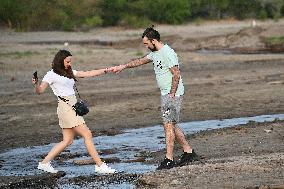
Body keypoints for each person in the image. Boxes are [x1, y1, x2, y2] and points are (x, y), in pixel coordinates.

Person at [110, 26, 199, 170]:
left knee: (168, 125)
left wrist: (171, 94)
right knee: (172, 124)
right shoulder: (155, 53)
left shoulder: (167, 52)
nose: (145, 46)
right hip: (166, 93)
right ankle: (188, 151)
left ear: (154, 40)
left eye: (146, 43)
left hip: (172, 94)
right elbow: (140, 61)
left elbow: (176, 74)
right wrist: (123, 66)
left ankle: (169, 159)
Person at [32, 49, 115, 174]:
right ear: (60, 61)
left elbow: (87, 73)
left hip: (72, 106)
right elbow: (40, 91)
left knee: (67, 141)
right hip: (66, 108)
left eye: (70, 61)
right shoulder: (51, 74)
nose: (69, 64)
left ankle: (44, 163)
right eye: (67, 61)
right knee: (87, 134)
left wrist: (106, 70)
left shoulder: (69, 72)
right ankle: (100, 165)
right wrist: (36, 84)